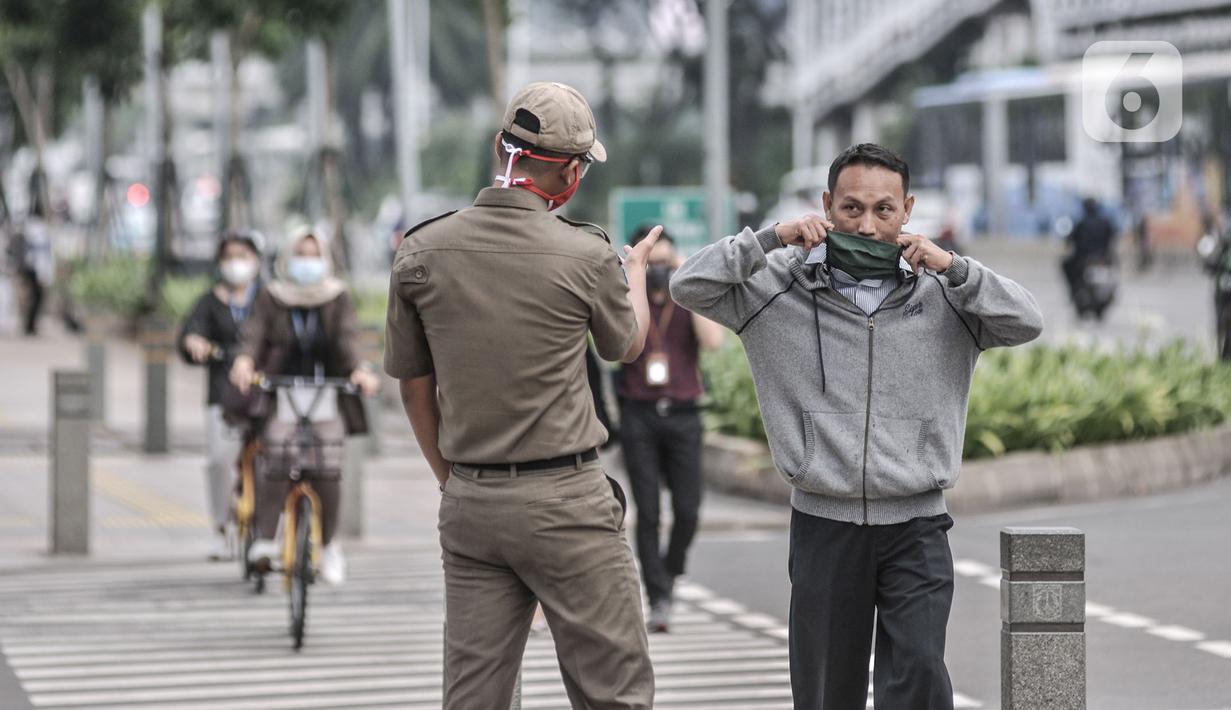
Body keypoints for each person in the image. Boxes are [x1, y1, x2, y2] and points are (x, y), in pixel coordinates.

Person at [671, 143, 1043, 710]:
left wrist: (954, 266)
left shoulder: (945, 293)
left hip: (917, 526)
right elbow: (687, 285)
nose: (867, 226)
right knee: (827, 693)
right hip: (824, 527)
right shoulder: (778, 287)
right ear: (826, 206)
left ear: (907, 210)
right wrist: (772, 238)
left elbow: (1026, 320)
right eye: (851, 208)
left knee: (920, 676)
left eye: (883, 210)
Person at [384, 81, 658, 709]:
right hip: (567, 504)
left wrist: (454, 481)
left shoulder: (421, 251)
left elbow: (414, 389)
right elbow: (626, 346)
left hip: (472, 506)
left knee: (474, 697)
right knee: (614, 692)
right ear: (570, 172)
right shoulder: (584, 253)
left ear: (498, 147)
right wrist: (636, 274)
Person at [229, 227, 379, 585]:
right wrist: (244, 362)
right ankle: (266, 539)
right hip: (282, 391)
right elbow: (254, 334)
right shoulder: (273, 296)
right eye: (301, 254)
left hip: (326, 391)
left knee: (328, 465)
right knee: (278, 456)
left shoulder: (336, 296)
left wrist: (359, 371)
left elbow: (347, 338)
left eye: (314, 255)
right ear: (287, 258)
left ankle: (329, 547)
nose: (307, 262)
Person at [616, 225, 724, 633]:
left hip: (683, 412)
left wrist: (685, 276)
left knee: (688, 509)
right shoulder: (630, 295)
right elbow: (617, 344)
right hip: (638, 413)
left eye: (666, 262)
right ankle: (659, 595)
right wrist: (636, 279)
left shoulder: (685, 296)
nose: (660, 270)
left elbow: (713, 342)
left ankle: (671, 569)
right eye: (653, 263)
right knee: (647, 512)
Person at [178, 231, 264, 560]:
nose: (236, 263)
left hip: (264, 392)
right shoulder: (210, 301)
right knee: (219, 461)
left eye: (243, 256)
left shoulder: (268, 299)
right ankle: (221, 528)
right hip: (223, 394)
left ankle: (270, 528)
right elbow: (190, 333)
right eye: (229, 257)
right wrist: (194, 342)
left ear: (256, 261)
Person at [1062, 197, 1115, 299]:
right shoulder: (1105, 222)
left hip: (1085, 259)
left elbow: (1072, 239)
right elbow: (1112, 238)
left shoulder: (1082, 223)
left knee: (1066, 264)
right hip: (1104, 258)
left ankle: (1074, 291)